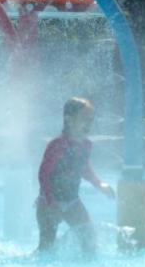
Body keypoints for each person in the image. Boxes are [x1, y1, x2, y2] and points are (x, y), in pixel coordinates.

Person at [36, 97, 115, 256]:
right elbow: (43, 174)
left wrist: (99, 184)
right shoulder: (57, 144)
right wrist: (51, 203)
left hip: (72, 202)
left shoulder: (86, 145)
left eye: (91, 119)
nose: (89, 123)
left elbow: (84, 169)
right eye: (84, 119)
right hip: (48, 202)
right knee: (47, 245)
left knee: (89, 240)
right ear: (68, 119)